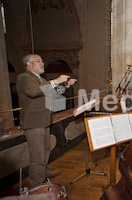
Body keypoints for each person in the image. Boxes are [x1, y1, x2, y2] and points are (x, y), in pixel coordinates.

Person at [16, 54, 77, 186]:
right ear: (29, 64)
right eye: (38, 61)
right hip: (33, 123)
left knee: (45, 150)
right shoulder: (24, 77)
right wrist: (56, 80)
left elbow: (53, 94)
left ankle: (44, 172)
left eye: (42, 61)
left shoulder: (41, 80)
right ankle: (36, 185)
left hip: (44, 120)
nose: (42, 63)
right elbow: (32, 92)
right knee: (37, 155)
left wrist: (66, 85)